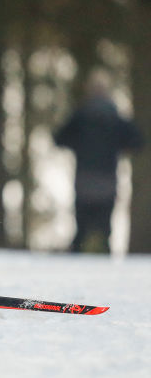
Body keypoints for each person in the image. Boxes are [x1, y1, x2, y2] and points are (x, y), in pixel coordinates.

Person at [54, 70, 144, 253]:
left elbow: (59, 138)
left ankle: (76, 264)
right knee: (104, 231)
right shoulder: (115, 118)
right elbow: (138, 141)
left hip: (84, 179)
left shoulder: (80, 116)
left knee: (81, 231)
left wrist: (77, 144)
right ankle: (105, 267)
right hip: (107, 180)